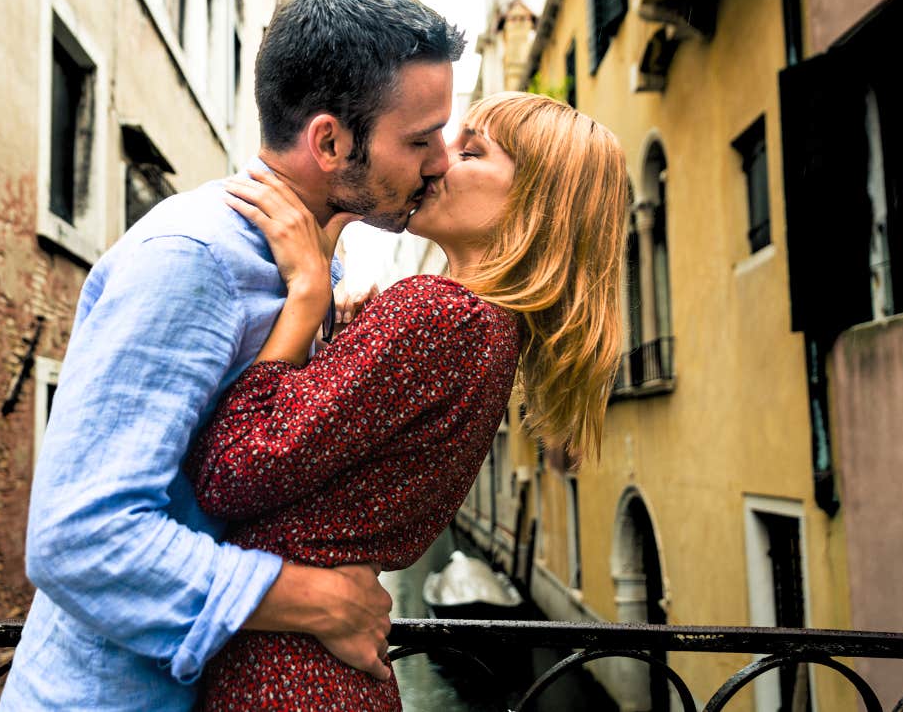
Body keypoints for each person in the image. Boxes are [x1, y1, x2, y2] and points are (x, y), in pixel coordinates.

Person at [0, 0, 466, 711]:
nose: (440, 160)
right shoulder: (193, 257)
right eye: (419, 138)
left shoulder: (321, 267)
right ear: (330, 140)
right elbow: (78, 535)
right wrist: (314, 599)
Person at [185, 91, 630, 710]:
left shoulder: (435, 313)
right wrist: (347, 344)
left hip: (283, 673)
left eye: (471, 150)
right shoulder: (493, 332)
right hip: (326, 671)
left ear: (533, 203)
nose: (440, 160)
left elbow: (229, 470)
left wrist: (306, 298)